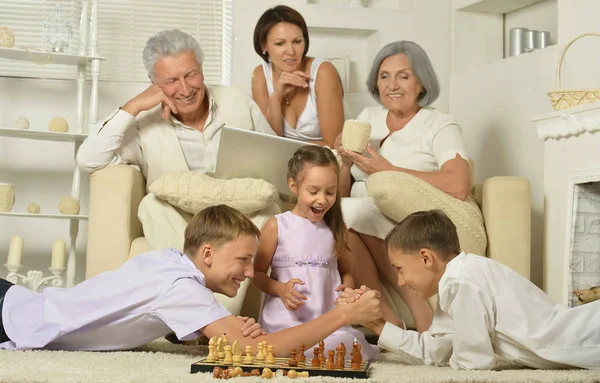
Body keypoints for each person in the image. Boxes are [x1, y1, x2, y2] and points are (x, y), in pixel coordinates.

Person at [76, 29, 278, 315]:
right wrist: (134, 106)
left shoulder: (236, 101)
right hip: (184, 225)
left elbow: (276, 153)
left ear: (202, 70)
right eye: (170, 81)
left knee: (267, 210)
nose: (185, 89)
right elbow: (88, 159)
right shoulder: (144, 122)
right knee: (151, 205)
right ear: (153, 84)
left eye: (191, 74)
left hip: (241, 217)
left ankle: (210, 317)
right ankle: (211, 315)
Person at [0, 205, 382, 353]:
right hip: (9, 319)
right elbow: (256, 351)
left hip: (15, 300)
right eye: (244, 260)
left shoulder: (169, 263)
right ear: (207, 254)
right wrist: (343, 317)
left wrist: (218, 328)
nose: (251, 273)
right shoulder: (181, 289)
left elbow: (159, 313)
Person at [334, 40, 486, 332]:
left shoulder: (439, 124)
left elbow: (459, 183)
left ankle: (421, 313)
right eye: (384, 76)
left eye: (403, 75)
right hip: (359, 212)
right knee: (340, 216)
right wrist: (342, 163)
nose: (393, 85)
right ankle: (386, 319)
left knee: (362, 207)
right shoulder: (368, 118)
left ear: (421, 82)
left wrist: (390, 171)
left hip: (414, 218)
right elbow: (343, 193)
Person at [339, 210, 600, 370]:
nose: (400, 282)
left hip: (584, 336)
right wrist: (377, 324)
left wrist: (459, 357)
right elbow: (435, 351)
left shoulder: (461, 283)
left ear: (426, 258)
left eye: (400, 268)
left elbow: (473, 363)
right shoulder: (457, 280)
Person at [252, 145, 379, 359]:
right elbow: (256, 274)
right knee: (289, 348)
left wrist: (347, 290)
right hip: (286, 321)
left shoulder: (336, 229)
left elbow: (347, 272)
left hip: (327, 320)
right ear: (294, 185)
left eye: (330, 192)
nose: (322, 199)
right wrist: (281, 289)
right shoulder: (278, 226)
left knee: (348, 343)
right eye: (314, 191)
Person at [251, 5, 349, 148]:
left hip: (323, 161)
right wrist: (276, 97)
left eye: (297, 41)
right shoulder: (260, 75)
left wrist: (283, 147)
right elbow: (270, 142)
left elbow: (332, 145)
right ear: (264, 46)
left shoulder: (324, 72)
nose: (291, 51)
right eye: (280, 43)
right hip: (282, 161)